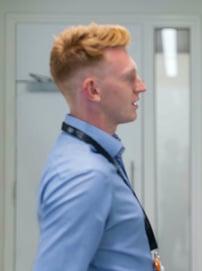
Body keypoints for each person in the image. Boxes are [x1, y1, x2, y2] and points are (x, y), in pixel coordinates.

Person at [34, 23, 160, 270]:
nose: (141, 86)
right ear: (93, 90)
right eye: (129, 78)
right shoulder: (84, 175)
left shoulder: (93, 153)